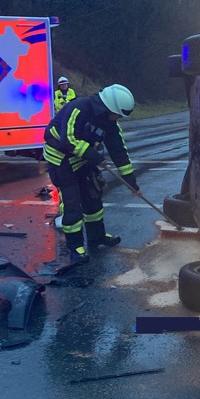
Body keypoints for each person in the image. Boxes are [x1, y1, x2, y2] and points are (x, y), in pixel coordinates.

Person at [43, 83, 139, 264]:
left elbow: (118, 149)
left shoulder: (109, 122)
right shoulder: (78, 108)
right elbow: (68, 140)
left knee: (93, 198)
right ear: (108, 108)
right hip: (61, 160)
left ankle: (97, 237)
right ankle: (75, 248)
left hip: (83, 159)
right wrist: (92, 154)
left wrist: (129, 178)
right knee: (73, 205)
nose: (117, 118)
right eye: (117, 114)